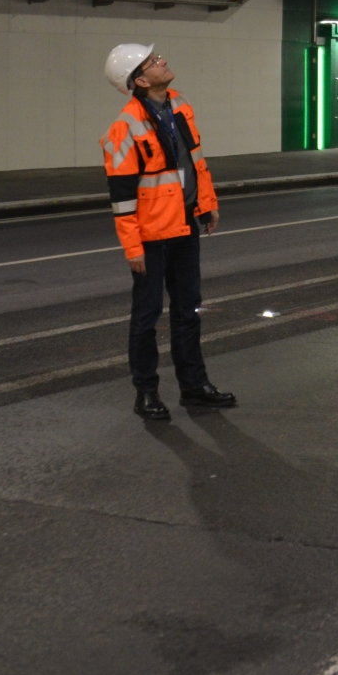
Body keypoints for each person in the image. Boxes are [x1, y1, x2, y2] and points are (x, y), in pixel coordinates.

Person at [101, 44, 236, 421]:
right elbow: (123, 198)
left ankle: (194, 386)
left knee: (188, 311)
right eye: (152, 61)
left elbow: (194, 161)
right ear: (140, 80)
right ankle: (146, 393)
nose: (161, 61)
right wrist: (132, 248)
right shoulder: (124, 127)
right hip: (150, 235)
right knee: (146, 317)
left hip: (184, 225)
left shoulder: (179, 104)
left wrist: (206, 204)